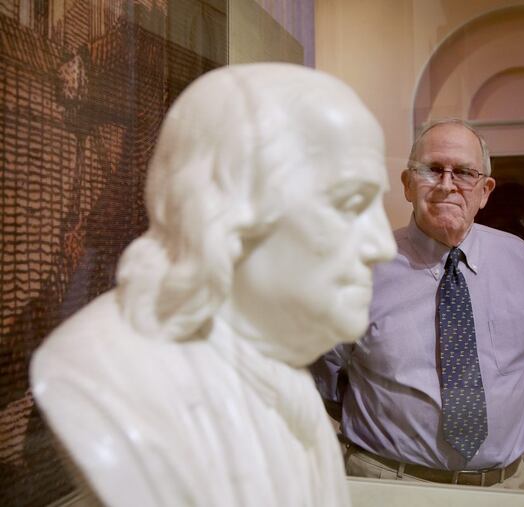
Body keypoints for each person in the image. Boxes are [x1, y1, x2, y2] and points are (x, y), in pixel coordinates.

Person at [30, 63, 396, 507]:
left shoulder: (282, 379)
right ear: (229, 209)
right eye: (351, 203)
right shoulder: (105, 374)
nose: (383, 245)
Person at [312, 118, 524, 489]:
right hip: (391, 485)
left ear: (485, 190)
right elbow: (326, 378)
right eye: (432, 170)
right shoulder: (358, 268)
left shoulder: (522, 262)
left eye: (465, 173)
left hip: (507, 487)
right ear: (407, 184)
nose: (447, 184)